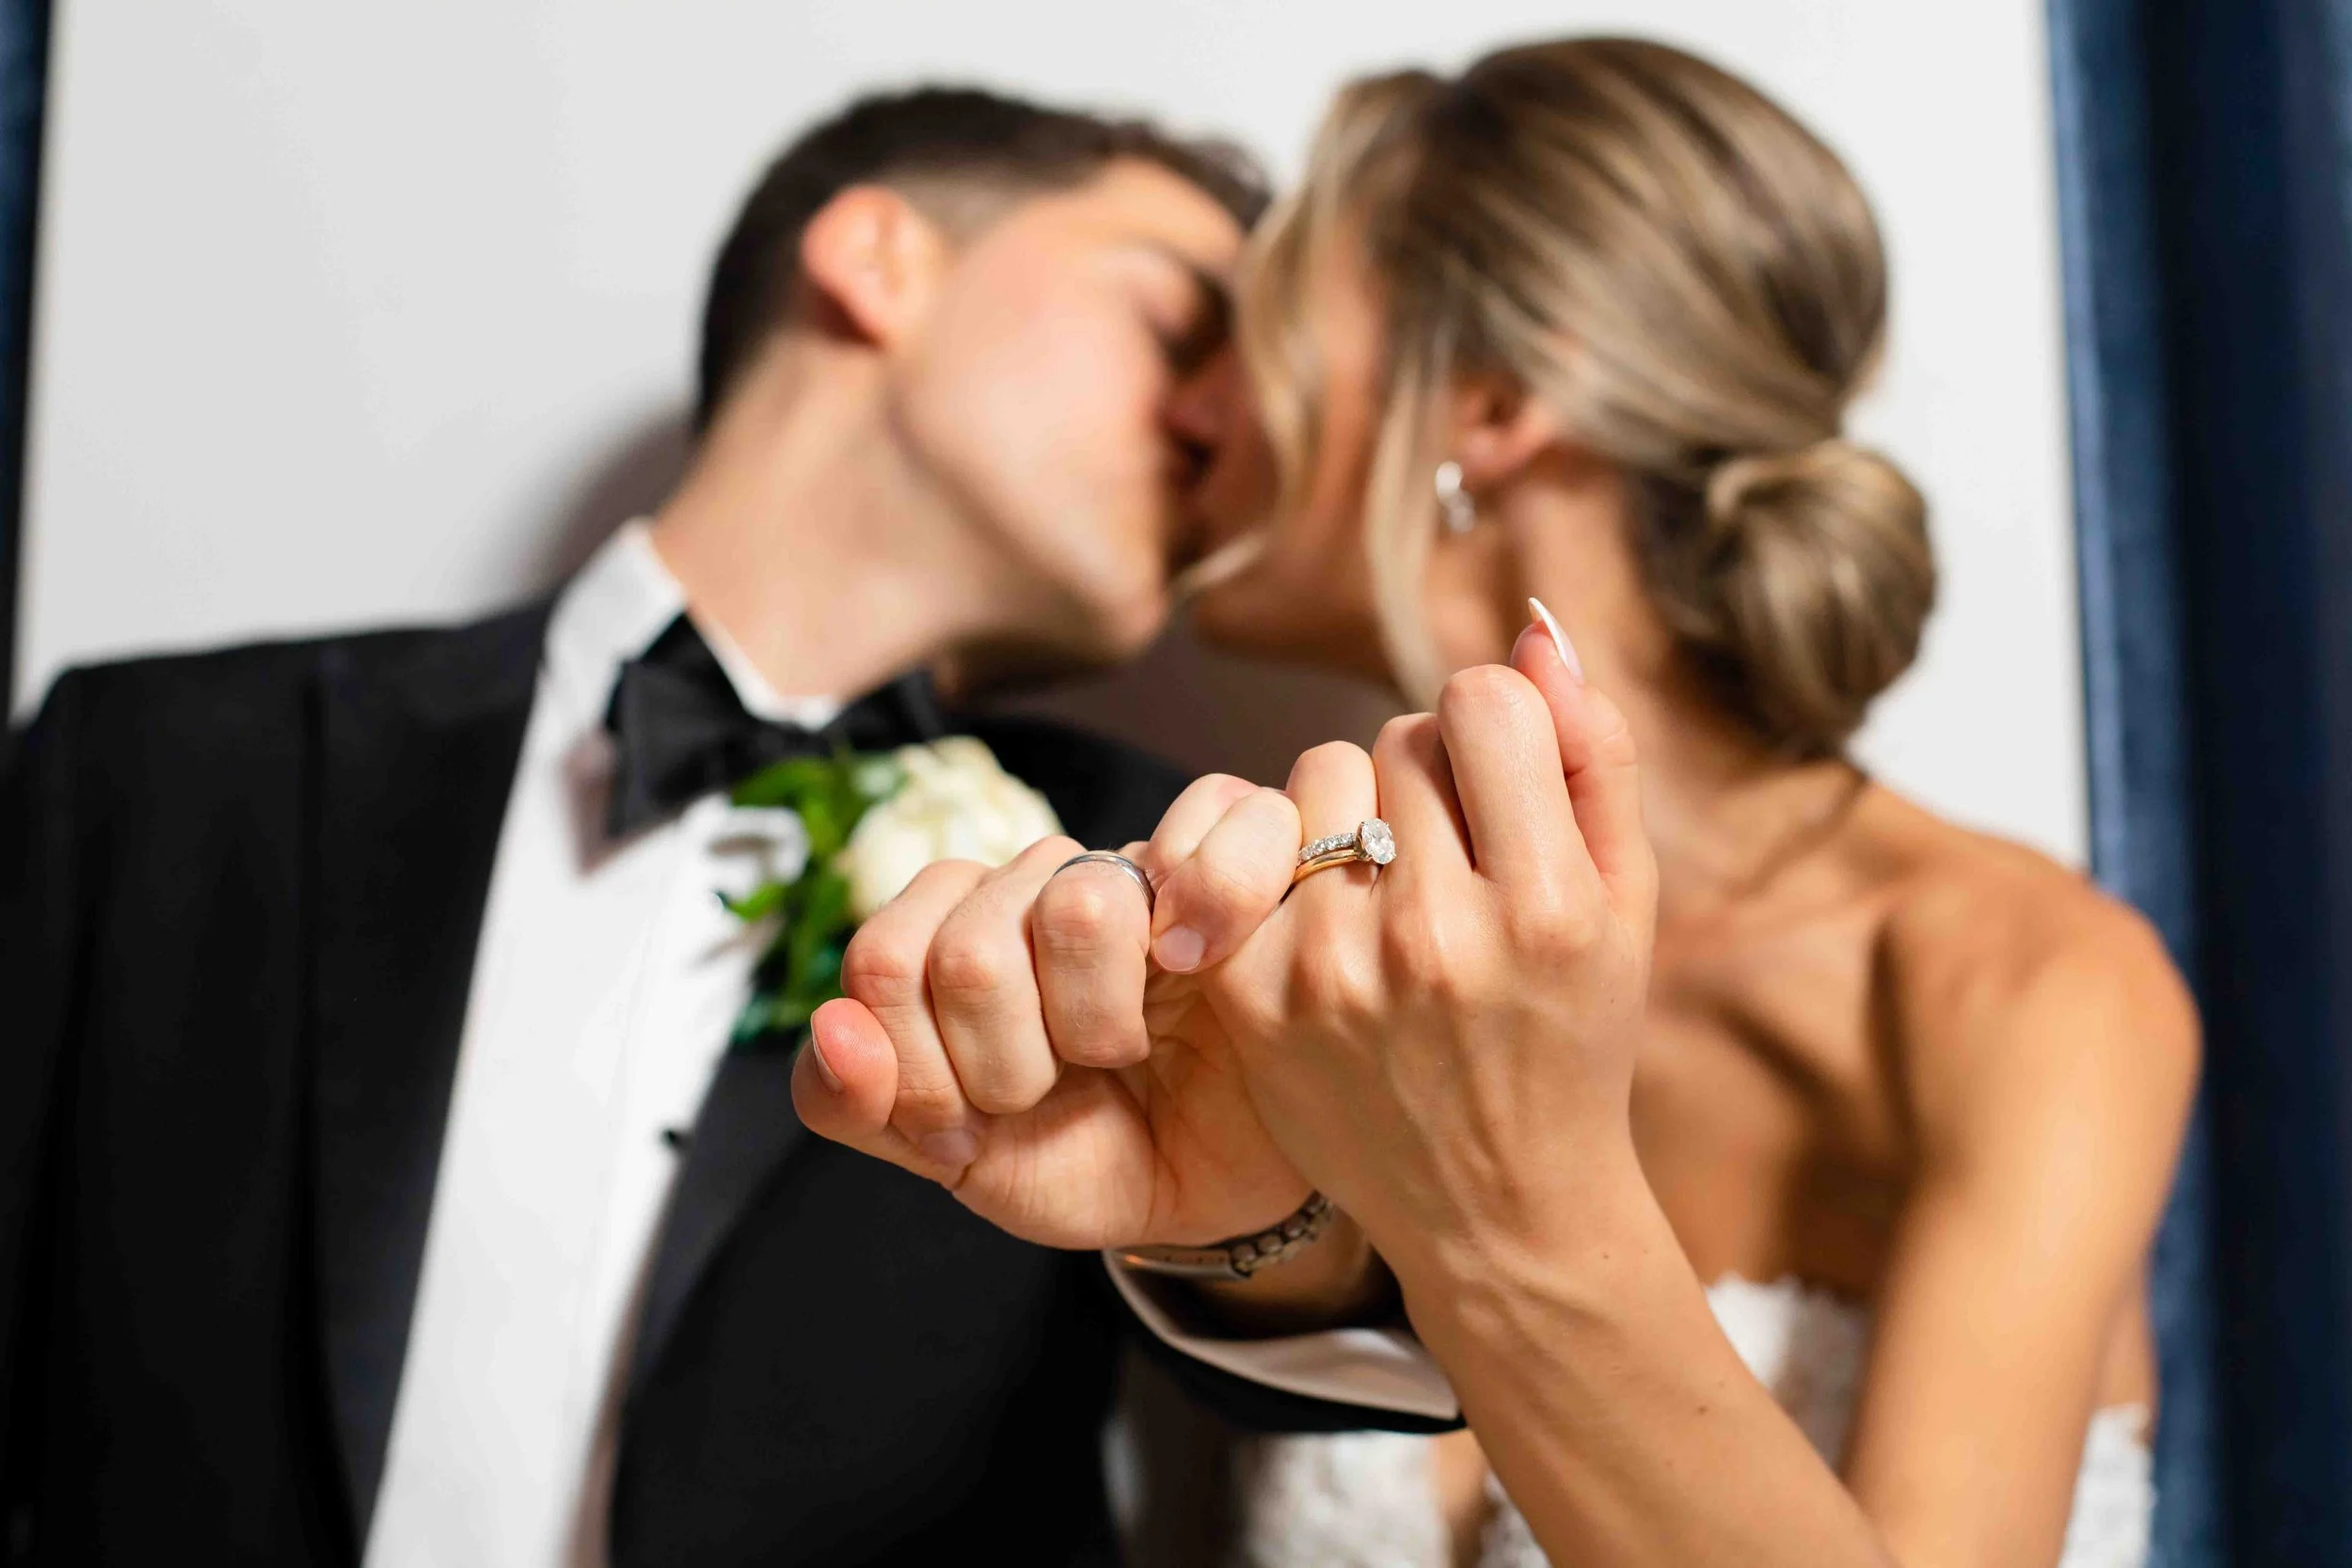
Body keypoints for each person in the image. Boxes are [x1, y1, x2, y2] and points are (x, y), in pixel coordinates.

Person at [792, 39, 2199, 1568]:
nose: (1194, 408)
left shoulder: (2023, 985)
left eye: (1251, 325)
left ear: (1493, 401)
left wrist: (1493, 1207)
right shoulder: (1286, 937)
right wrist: (1242, 1236)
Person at [0, 88, 1447, 1568]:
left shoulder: (1159, 874)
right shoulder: (162, 766)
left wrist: (1264, 1221)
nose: (1224, 423)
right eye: (1176, 325)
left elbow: (1373, 1381)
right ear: (877, 256)